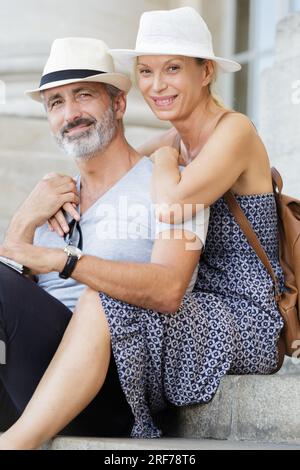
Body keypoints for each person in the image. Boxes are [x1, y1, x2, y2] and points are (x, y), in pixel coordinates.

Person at [0, 37, 208, 449]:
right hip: (37, 377)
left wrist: (66, 259)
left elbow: (169, 290)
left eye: (83, 96)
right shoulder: (53, 201)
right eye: (55, 103)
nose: (70, 113)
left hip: (119, 385)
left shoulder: (173, 186)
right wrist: (25, 219)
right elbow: (16, 290)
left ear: (118, 104)